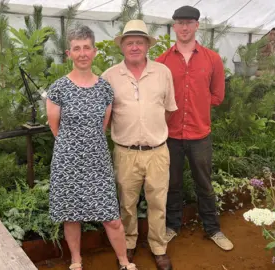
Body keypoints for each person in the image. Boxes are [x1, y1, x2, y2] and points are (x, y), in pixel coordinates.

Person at [46, 25, 137, 270]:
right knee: (71, 216)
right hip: (68, 163)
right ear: (69, 54)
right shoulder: (58, 89)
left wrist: (87, 147)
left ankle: (123, 261)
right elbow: (55, 128)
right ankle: (76, 260)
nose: (82, 53)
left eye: (87, 47)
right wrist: (74, 148)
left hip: (97, 163)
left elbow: (103, 126)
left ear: (94, 51)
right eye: (77, 48)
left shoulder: (105, 89)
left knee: (112, 218)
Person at [155, 5, 234, 251]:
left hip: (200, 135)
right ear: (174, 27)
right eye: (179, 22)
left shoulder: (212, 59)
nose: (184, 27)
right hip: (171, 136)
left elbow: (218, 95)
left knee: (204, 183)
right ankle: (172, 227)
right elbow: (157, 98)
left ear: (197, 25)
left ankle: (213, 229)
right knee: (172, 184)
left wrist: (198, 104)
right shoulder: (162, 62)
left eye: (189, 22)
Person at [102, 20, 177, 270]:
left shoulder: (163, 73)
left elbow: (168, 110)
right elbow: (105, 116)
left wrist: (153, 133)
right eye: (130, 42)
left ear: (147, 46)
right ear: (122, 46)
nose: (135, 47)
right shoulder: (109, 76)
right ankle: (129, 244)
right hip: (125, 152)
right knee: (126, 203)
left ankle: (158, 247)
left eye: (139, 42)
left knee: (158, 202)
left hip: (157, 152)